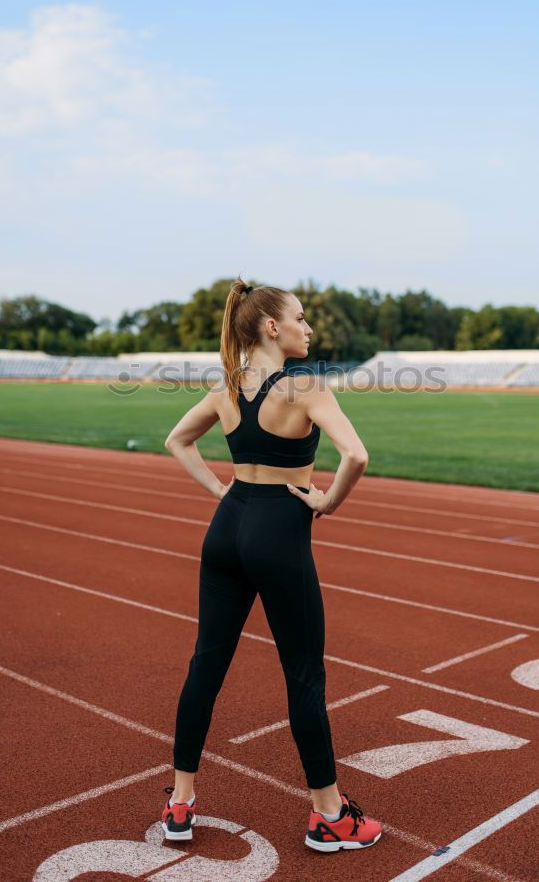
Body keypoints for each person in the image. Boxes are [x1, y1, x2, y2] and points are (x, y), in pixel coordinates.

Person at [160, 277, 382, 853]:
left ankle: (180, 803)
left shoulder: (226, 389)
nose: (310, 328)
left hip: (228, 528)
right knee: (304, 676)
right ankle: (329, 816)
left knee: (205, 667)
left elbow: (176, 441)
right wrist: (328, 501)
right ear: (272, 327)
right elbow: (356, 455)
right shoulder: (305, 386)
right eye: (302, 318)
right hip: (279, 534)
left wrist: (219, 491)